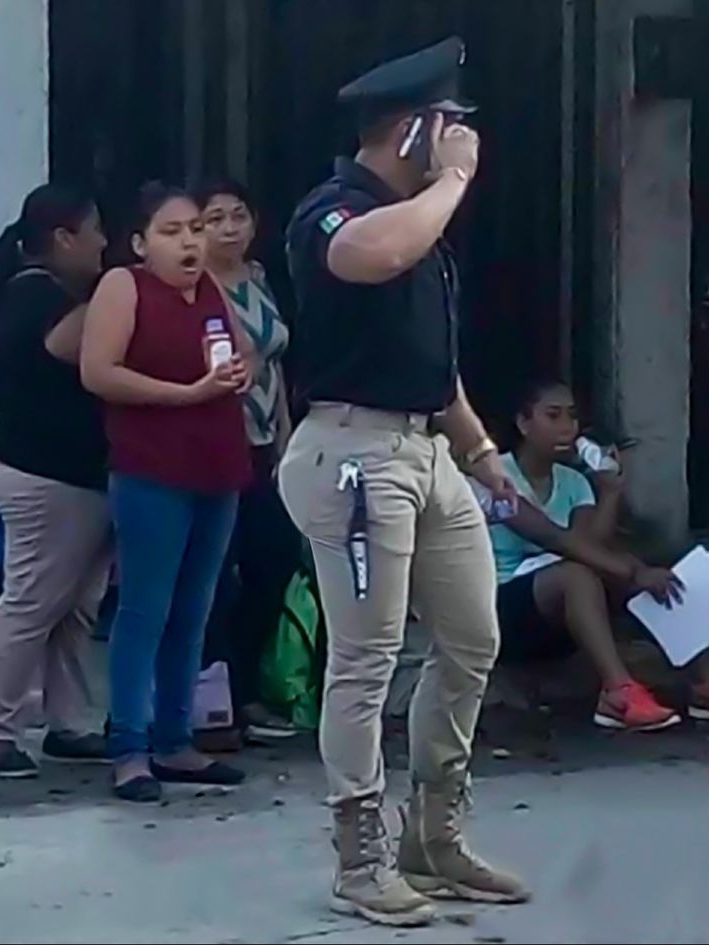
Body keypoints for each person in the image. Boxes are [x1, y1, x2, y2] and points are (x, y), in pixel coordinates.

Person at [280, 38, 528, 927]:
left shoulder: (420, 225)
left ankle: (436, 833)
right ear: (413, 129)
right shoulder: (335, 209)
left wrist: (479, 446)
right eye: (450, 128)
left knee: (470, 636)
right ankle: (361, 856)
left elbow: (430, 356)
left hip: (425, 449)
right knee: (365, 659)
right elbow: (368, 258)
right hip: (351, 454)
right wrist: (449, 185)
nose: (465, 145)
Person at [81, 183, 254, 802]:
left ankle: (177, 739)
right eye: (172, 232)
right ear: (139, 242)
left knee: (195, 608)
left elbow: (243, 356)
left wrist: (234, 373)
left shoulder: (210, 290)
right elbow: (98, 371)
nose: (189, 242)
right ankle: (130, 744)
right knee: (144, 609)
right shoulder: (124, 288)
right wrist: (185, 394)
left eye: (195, 230)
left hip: (217, 463)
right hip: (152, 467)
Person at [477, 378, 709, 728]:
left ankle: (707, 684)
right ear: (524, 423)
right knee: (583, 574)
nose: (566, 428)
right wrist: (634, 571)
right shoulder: (496, 476)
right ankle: (617, 693)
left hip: (561, 604)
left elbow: (589, 544)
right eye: (553, 416)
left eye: (572, 417)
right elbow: (554, 538)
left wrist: (610, 492)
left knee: (660, 577)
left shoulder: (573, 482)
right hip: (502, 604)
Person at [0, 184, 110, 779]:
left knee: (72, 610)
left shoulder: (36, 294)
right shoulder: (39, 299)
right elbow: (70, 351)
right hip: (45, 476)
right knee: (33, 603)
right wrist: (119, 292)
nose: (104, 245)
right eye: (95, 232)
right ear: (63, 239)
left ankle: (71, 723)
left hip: (69, 476)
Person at [199, 179, 302, 739]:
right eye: (215, 218)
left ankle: (245, 689)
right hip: (217, 443)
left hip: (265, 442)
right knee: (216, 576)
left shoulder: (259, 278)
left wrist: (285, 431)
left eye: (239, 215)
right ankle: (211, 703)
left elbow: (275, 363)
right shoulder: (193, 284)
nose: (229, 228)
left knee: (274, 561)